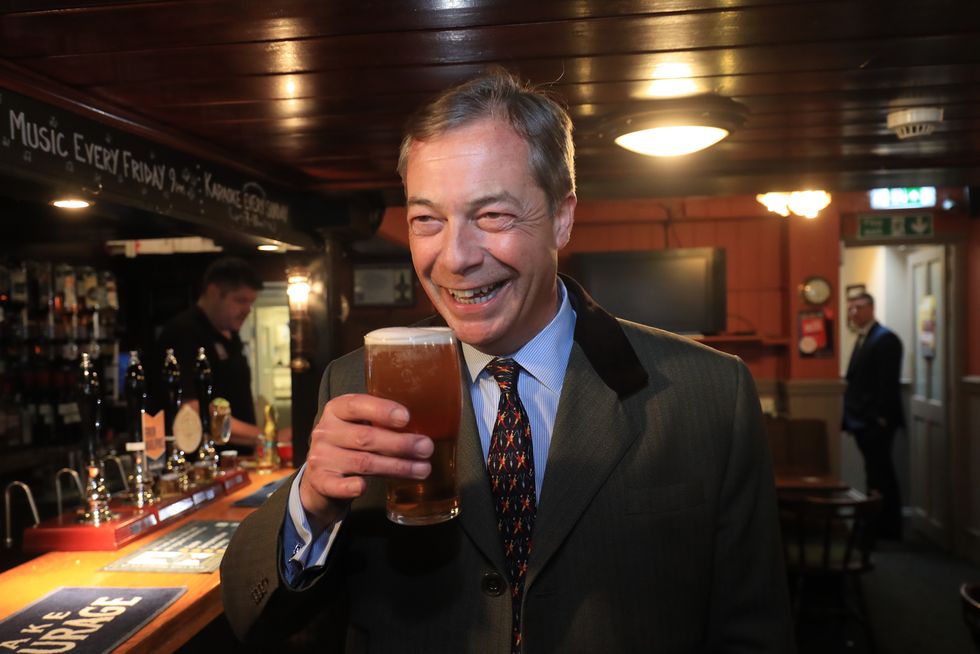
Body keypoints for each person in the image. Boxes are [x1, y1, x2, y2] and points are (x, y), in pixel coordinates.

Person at [220, 68, 794, 652]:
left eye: (492, 215)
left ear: (562, 217)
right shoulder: (355, 383)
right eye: (427, 221)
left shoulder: (709, 394)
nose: (455, 257)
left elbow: (753, 629)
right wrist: (310, 505)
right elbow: (254, 618)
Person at [152, 256, 286, 450]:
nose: (247, 310)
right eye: (240, 301)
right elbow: (192, 409)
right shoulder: (185, 332)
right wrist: (266, 436)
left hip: (238, 460)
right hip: (206, 462)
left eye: (251, 302)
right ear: (214, 292)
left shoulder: (231, 334)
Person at [843, 292, 904, 539]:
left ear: (871, 308)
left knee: (881, 474)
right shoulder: (864, 337)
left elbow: (886, 384)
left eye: (858, 308)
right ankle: (876, 525)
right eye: (851, 309)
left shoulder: (885, 338)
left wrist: (880, 418)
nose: (853, 313)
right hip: (861, 419)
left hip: (875, 421)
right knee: (874, 472)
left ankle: (885, 527)